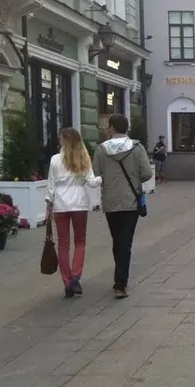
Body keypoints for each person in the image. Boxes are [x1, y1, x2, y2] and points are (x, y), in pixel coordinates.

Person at [93, 115, 153, 299]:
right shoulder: (137, 148)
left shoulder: (101, 150)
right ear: (127, 128)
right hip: (131, 202)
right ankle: (121, 283)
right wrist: (135, 180)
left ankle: (119, 278)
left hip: (111, 202)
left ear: (112, 128)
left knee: (117, 240)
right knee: (125, 242)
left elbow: (96, 173)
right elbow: (147, 173)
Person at [45, 127, 102, 298]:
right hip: (79, 203)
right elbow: (92, 183)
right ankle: (76, 276)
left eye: (61, 138)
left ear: (65, 140)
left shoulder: (55, 159)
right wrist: (102, 177)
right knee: (80, 241)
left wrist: (48, 204)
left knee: (63, 243)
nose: (59, 141)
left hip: (60, 204)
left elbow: (51, 185)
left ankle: (67, 280)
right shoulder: (82, 157)